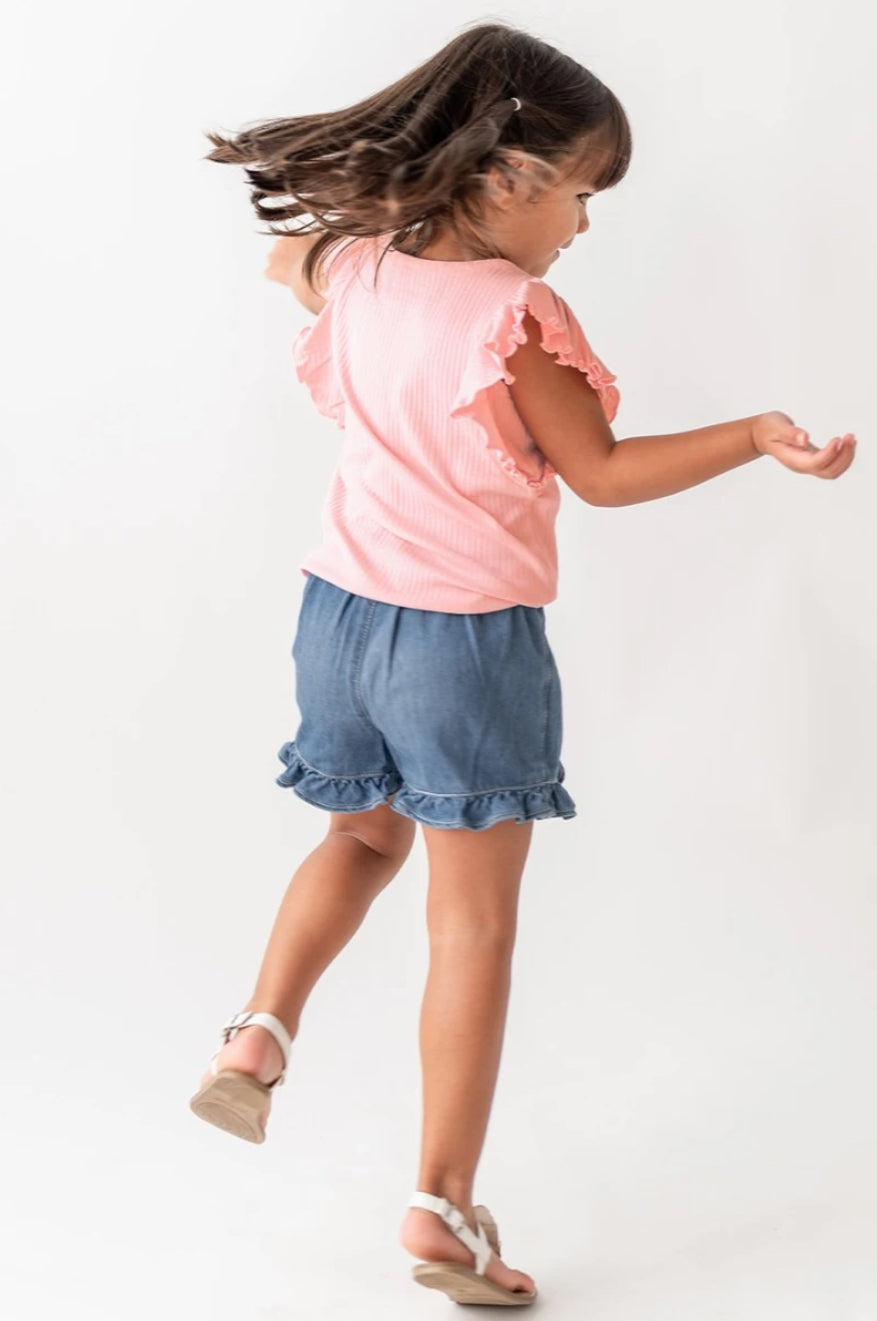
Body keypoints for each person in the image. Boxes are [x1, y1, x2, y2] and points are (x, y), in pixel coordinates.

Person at [190, 21, 857, 1307]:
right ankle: (441, 1207)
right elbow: (601, 476)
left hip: (337, 622)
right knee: (472, 924)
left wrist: (345, 256)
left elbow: (291, 256)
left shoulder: (362, 263)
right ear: (505, 177)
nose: (585, 227)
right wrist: (754, 435)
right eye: (580, 192)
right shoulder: (518, 317)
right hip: (463, 646)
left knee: (357, 841)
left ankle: (258, 1032)